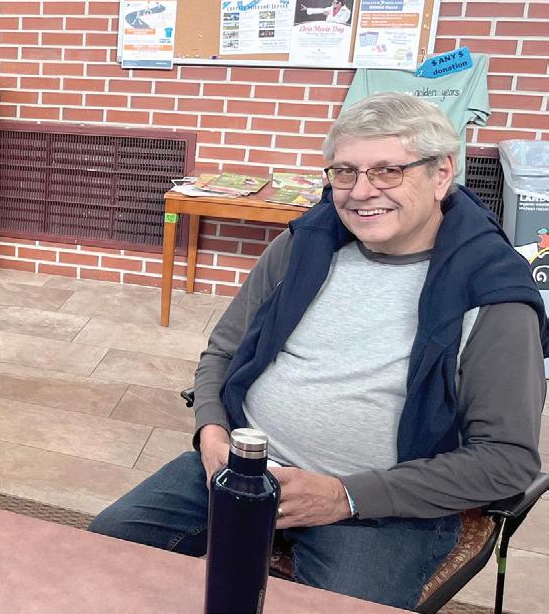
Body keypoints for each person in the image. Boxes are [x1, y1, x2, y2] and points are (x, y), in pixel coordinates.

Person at [89, 92, 547, 609]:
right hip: (243, 468)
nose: (361, 192)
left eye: (388, 171)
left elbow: (506, 461)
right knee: (101, 551)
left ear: (442, 173)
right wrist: (211, 431)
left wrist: (343, 496)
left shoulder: (492, 292)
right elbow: (223, 352)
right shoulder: (305, 243)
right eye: (345, 172)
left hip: (381, 506)